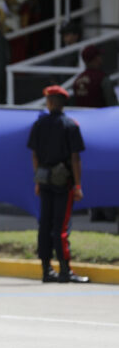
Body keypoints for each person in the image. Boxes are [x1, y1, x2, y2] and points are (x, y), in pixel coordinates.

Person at [27, 85, 90, 284]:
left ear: (51, 103)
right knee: (61, 226)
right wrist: (78, 185)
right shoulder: (70, 125)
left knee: (44, 225)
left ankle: (46, 270)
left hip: (44, 180)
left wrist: (38, 179)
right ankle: (65, 270)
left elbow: (35, 156)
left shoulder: (39, 125)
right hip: (63, 183)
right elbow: (75, 158)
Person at [73, 45, 118, 223]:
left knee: (89, 170)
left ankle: (95, 211)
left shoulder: (78, 80)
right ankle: (108, 211)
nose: (101, 59)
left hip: (84, 131)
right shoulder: (102, 79)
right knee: (108, 170)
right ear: (93, 59)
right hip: (104, 132)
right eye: (99, 56)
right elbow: (112, 106)